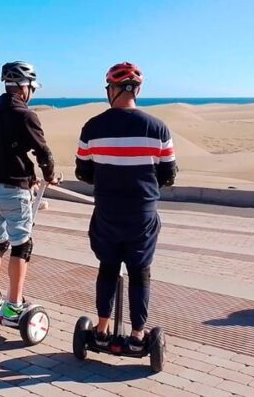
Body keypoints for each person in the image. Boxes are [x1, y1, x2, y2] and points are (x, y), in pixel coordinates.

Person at [75, 62, 177, 351]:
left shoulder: (93, 126)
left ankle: (103, 330)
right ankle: (137, 336)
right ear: (138, 89)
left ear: (112, 89)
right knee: (139, 271)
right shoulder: (158, 128)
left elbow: (83, 172)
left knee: (107, 268)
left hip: (107, 211)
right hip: (142, 213)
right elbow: (168, 175)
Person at [0, 61, 58, 323]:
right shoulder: (26, 115)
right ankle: (14, 306)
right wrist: (50, 176)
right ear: (24, 88)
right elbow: (43, 152)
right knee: (22, 246)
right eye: (32, 87)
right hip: (15, 189)